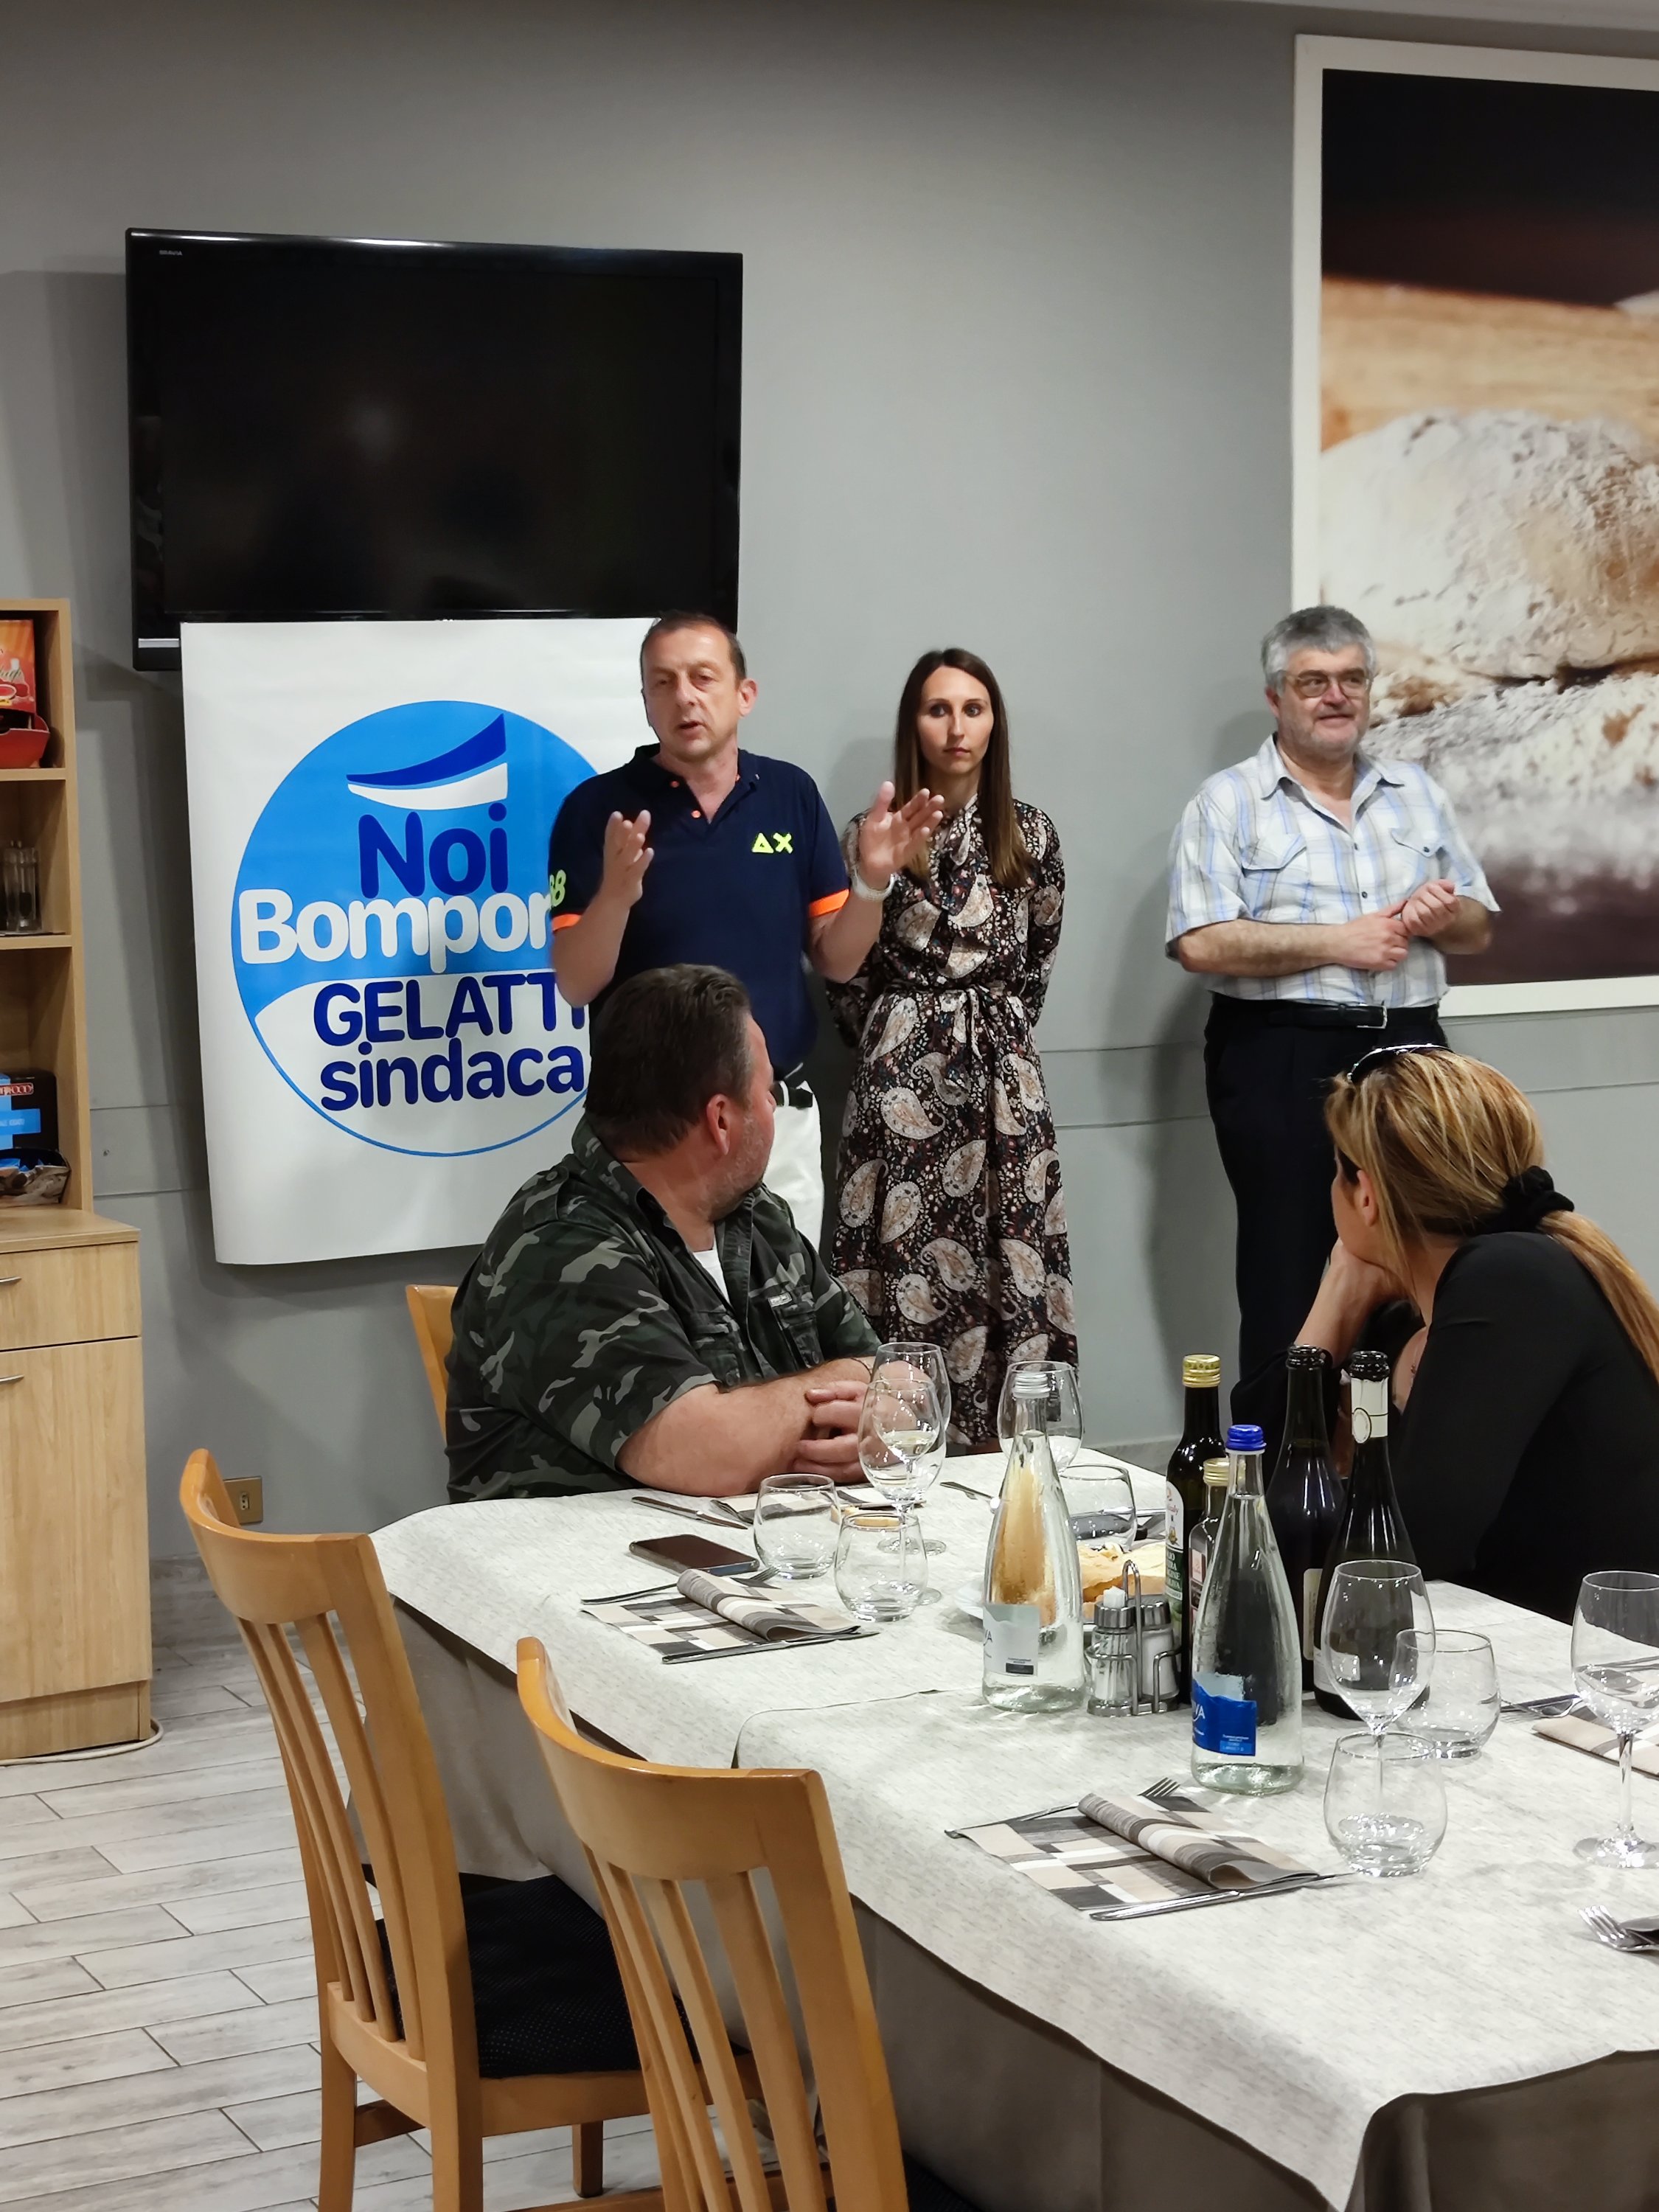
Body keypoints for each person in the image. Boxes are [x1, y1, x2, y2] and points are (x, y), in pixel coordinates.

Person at [1166, 603, 1498, 1453]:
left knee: (1435, 1261)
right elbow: (1200, 941)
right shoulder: (1228, 803)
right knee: (1289, 1274)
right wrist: (1336, 942)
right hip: (1283, 1053)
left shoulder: (1416, 794)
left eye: (1352, 678)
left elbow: (1477, 929)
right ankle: (1286, 1482)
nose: (1336, 696)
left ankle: (1419, 1465)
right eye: (1313, 682)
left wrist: (1444, 914)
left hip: (1413, 1049)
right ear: (1276, 697)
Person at [546, 612, 943, 1244]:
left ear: (744, 694)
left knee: (786, 1302)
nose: (685, 697)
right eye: (663, 683)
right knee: (665, 1303)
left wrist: (871, 880)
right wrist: (616, 898)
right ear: (646, 702)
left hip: (774, 1119)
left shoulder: (790, 794)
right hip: (652, 1131)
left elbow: (838, 960)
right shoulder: (597, 810)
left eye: (703, 678)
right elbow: (575, 982)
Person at [445, 964, 878, 1503]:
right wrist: (847, 1391)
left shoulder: (758, 1217)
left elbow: (899, 1379)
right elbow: (706, 1456)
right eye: (768, 1090)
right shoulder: (561, 1249)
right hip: (602, 1555)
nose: (774, 1105)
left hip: (772, 1541)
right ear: (721, 1121)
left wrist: (874, 1418)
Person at [1295, 1045, 1659, 1621]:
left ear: (1365, 1195)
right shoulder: (1408, 1318)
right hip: (1513, 1638)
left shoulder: (1510, 1279)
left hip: (1601, 1662)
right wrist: (1338, 1300)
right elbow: (1259, 1484)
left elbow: (1412, 1544)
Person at [826, 647, 1074, 1451]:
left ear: (995, 723)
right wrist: (904, 1036)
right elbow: (845, 981)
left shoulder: (1031, 834)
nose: (957, 727)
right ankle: (898, 1454)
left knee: (1010, 1262)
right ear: (913, 725)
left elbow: (1035, 967)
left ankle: (1015, 1461)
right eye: (938, 709)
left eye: (974, 708)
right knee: (901, 1266)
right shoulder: (868, 835)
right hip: (900, 1076)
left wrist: (993, 1037)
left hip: (1005, 1083)